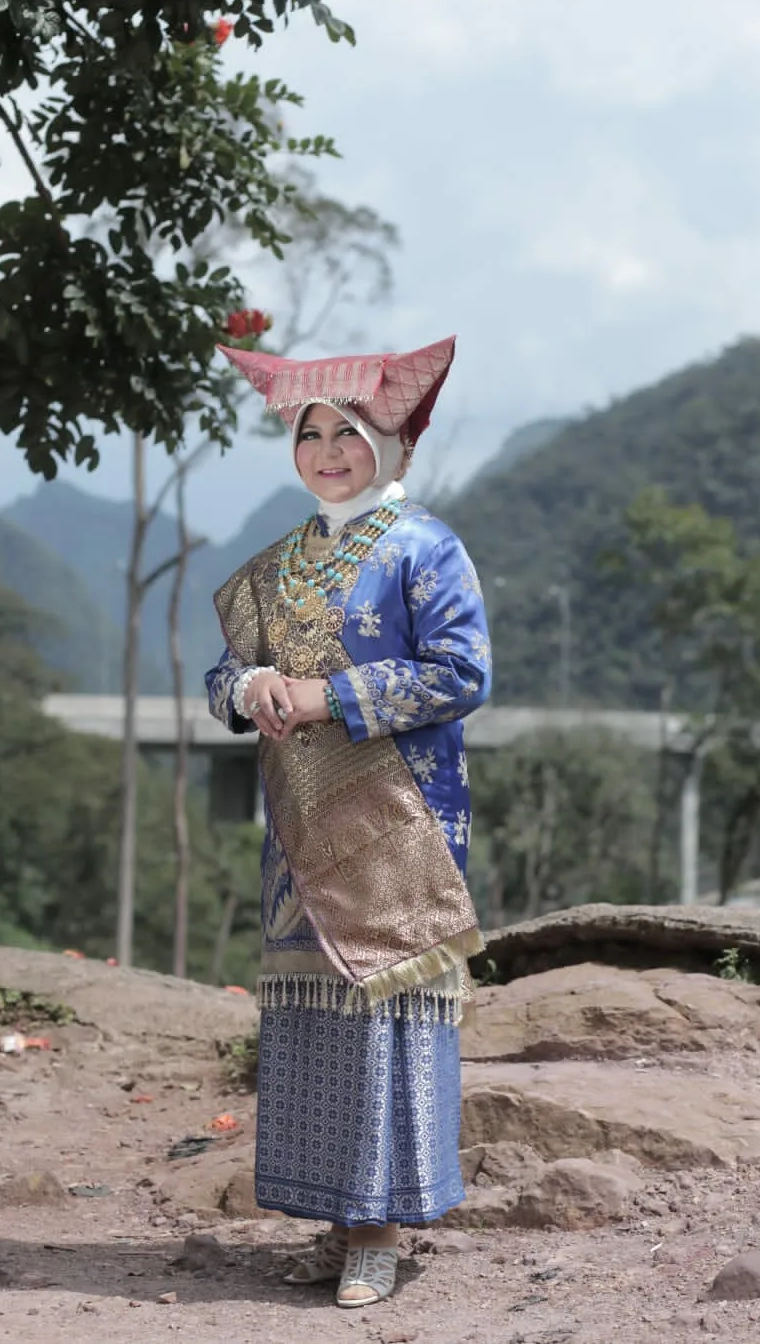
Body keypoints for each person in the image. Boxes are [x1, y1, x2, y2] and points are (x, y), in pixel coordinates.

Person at [204, 334, 491, 1309]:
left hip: (399, 822)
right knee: (316, 1022)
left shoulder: (427, 549)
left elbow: (462, 675)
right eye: (310, 432)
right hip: (298, 829)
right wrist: (246, 685)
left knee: (382, 1019)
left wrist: (329, 697)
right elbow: (221, 681)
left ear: (395, 443)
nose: (327, 449)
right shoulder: (279, 564)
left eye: (349, 432)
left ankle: (380, 1232)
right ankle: (337, 1218)